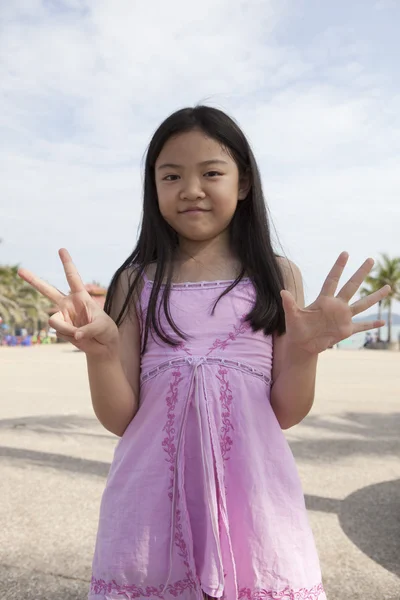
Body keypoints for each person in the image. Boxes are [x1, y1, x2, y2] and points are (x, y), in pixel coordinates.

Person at [18, 106, 390, 600]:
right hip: (150, 498)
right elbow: (120, 416)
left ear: (243, 183)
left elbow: (285, 412)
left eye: (211, 173)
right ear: (153, 188)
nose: (190, 188)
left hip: (253, 497)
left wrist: (303, 354)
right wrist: (102, 355)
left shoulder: (277, 277)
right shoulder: (136, 281)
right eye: (170, 175)